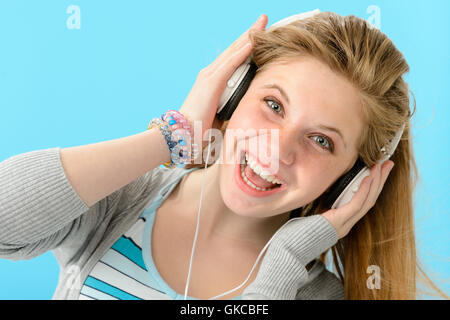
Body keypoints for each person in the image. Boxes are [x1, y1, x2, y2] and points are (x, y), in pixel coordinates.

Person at [0, 12, 446, 300]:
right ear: (232, 93)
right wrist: (171, 137)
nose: (277, 150)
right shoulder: (123, 198)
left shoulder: (314, 294)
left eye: (322, 141)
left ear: (352, 181)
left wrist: (285, 262)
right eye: (273, 105)